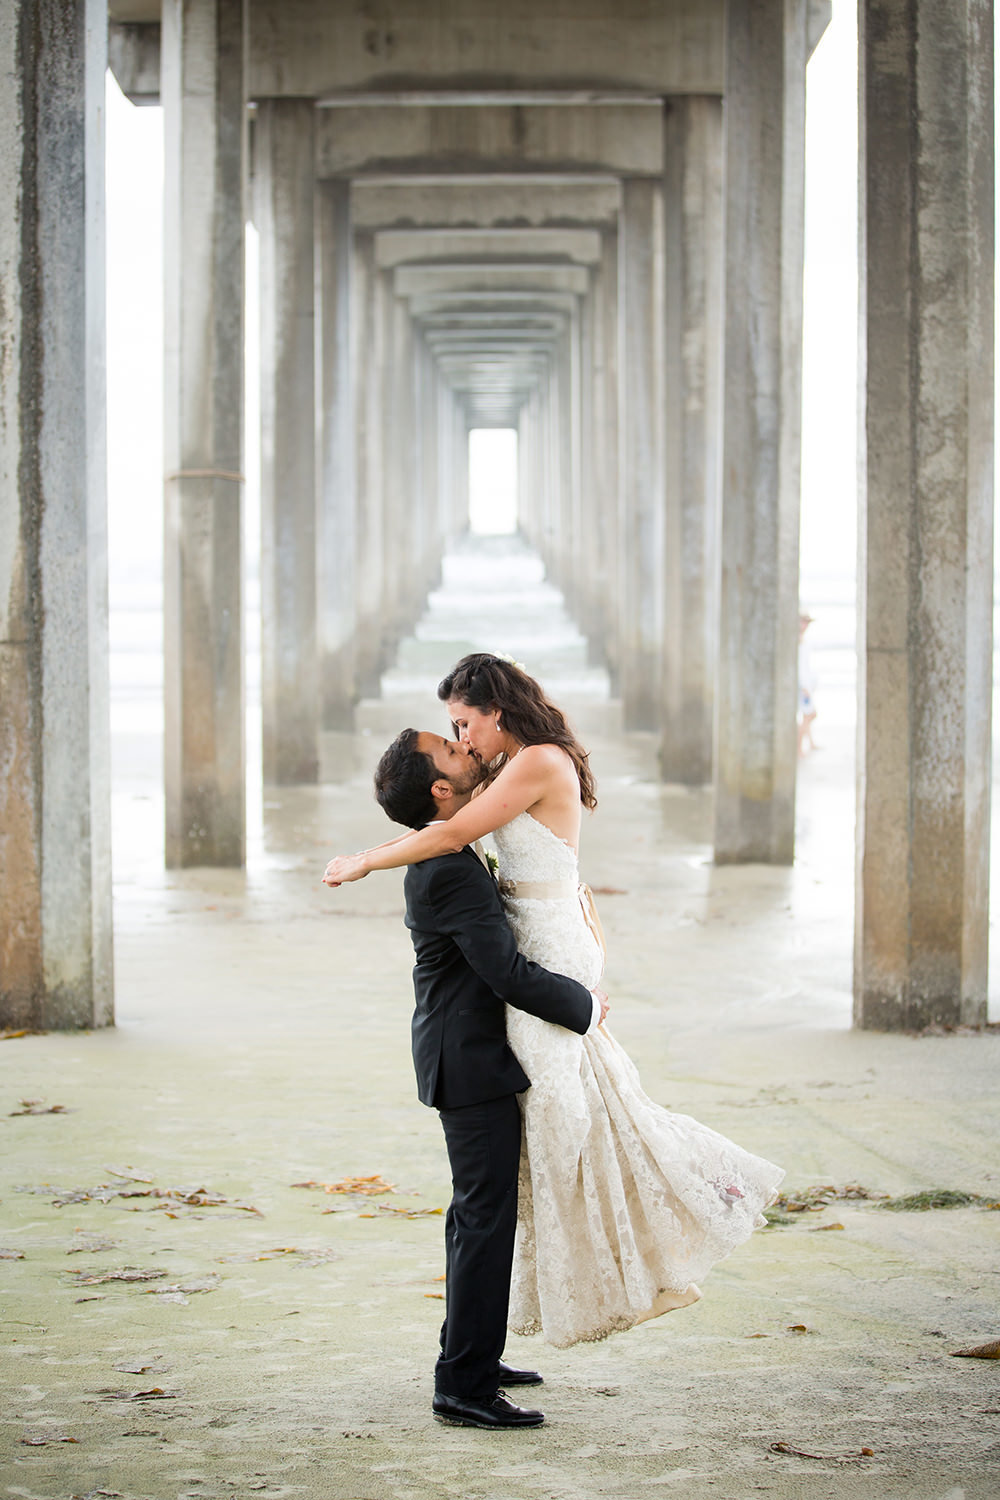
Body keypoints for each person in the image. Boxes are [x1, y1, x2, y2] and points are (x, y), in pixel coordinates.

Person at [324, 653, 784, 1349]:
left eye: (462, 725)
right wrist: (380, 849)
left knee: (568, 1133)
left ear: (495, 714)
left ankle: (632, 1261)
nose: (464, 739)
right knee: (564, 1135)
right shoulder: (503, 781)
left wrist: (363, 861)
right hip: (537, 959)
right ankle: (502, 1339)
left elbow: (446, 830)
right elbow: (439, 828)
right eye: (453, 735)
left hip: (548, 958)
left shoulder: (532, 763)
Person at [363, 726, 608, 1429]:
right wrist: (585, 1006)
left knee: (476, 1212)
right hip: (468, 1062)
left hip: (467, 1054)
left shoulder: (451, 851)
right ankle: (462, 1387)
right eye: (452, 747)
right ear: (441, 789)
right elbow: (505, 972)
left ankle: (470, 1352)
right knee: (483, 1216)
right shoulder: (445, 868)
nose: (468, 750)